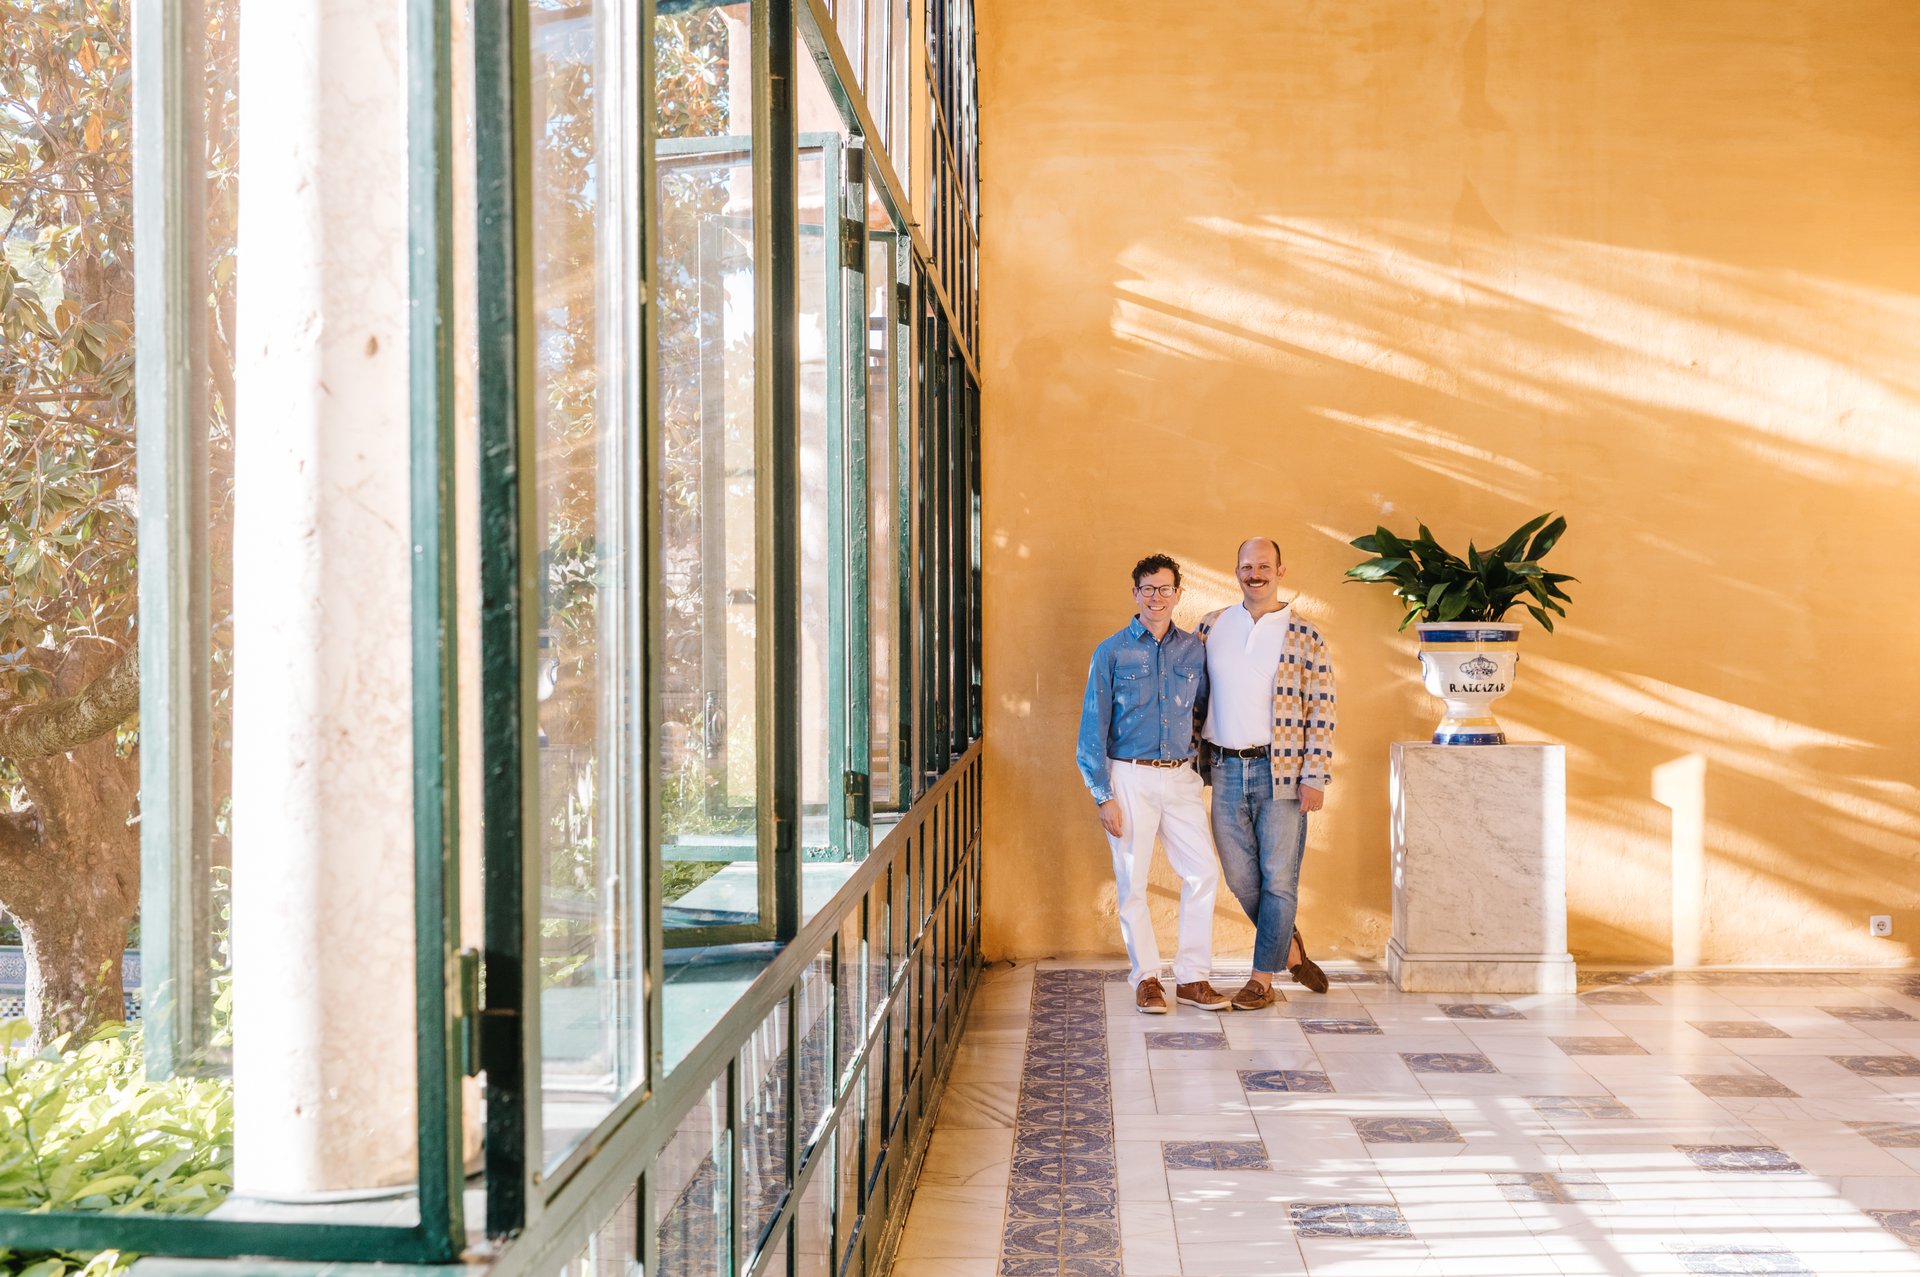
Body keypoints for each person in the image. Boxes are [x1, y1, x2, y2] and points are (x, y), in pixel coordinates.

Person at [1076, 553, 1231, 1015]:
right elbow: (1092, 727)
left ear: (1178, 594)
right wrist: (1102, 794)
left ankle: (1192, 978)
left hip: (1180, 776)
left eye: (1165, 589)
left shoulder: (1194, 650)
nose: (1156, 597)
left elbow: (1203, 711)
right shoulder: (1111, 652)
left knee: (1202, 872)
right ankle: (1147, 978)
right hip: (1128, 776)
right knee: (1132, 881)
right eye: (1148, 589)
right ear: (1135, 594)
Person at [1196, 537, 1336, 1010]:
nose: (1254, 574)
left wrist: (1315, 775)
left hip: (1283, 769)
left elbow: (1321, 709)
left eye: (1263, 566)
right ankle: (1290, 950)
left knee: (1279, 879)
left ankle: (1262, 980)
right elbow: (1193, 698)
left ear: (1280, 570)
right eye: (1246, 566)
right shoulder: (1211, 626)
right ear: (1236, 571)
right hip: (1224, 767)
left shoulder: (1305, 635)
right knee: (1240, 878)